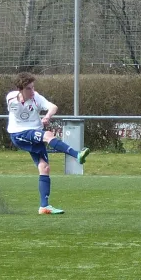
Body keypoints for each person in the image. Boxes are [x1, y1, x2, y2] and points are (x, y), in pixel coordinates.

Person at [6, 72, 90, 215]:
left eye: (33, 88)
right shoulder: (11, 98)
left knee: (44, 168)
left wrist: (47, 116)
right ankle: (76, 154)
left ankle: (44, 206)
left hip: (33, 132)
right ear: (20, 89)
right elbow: (19, 109)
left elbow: (53, 107)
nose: (32, 91)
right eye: (29, 89)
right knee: (48, 135)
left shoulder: (36, 97)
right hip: (19, 134)